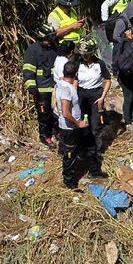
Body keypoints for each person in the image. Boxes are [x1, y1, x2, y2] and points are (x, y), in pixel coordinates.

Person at [55, 60, 93, 189]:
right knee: (69, 155)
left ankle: (71, 175)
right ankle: (69, 182)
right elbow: (66, 113)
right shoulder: (66, 90)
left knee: (72, 151)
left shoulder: (61, 83)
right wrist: (78, 123)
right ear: (76, 74)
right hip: (70, 128)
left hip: (69, 127)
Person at [75, 40, 113, 169]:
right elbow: (74, 82)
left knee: (95, 123)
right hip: (81, 95)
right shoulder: (77, 64)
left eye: (87, 54)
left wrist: (102, 97)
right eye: (82, 54)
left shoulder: (99, 64)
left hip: (96, 95)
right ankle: (83, 149)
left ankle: (97, 149)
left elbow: (108, 80)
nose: (84, 57)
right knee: (83, 123)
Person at [22, 24, 60, 146]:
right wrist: (32, 87)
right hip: (42, 89)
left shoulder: (54, 47)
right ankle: (45, 136)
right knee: (44, 114)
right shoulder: (33, 50)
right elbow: (28, 70)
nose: (50, 41)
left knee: (56, 112)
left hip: (55, 87)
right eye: (48, 39)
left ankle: (57, 133)